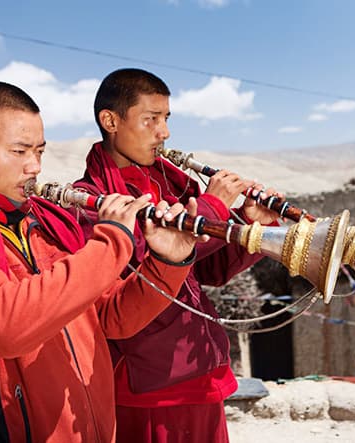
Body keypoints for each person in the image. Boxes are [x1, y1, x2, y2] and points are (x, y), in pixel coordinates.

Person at [0, 80, 204, 442]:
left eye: (39, 151)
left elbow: (111, 316)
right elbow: (6, 326)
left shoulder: (48, 223)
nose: (34, 167)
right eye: (19, 151)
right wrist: (112, 242)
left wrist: (168, 260)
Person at [73, 68, 283, 443]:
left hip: (199, 367)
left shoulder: (166, 183)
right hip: (149, 381)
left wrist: (249, 226)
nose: (164, 132)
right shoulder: (91, 200)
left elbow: (208, 270)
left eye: (166, 118)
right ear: (110, 121)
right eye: (150, 119)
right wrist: (214, 206)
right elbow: (143, 258)